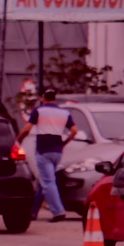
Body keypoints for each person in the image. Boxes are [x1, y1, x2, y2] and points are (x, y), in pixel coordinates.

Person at [19, 90, 80, 223]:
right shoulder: (64, 112)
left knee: (48, 182)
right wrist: (65, 142)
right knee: (45, 180)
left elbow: (27, 129)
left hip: (43, 150)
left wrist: (18, 140)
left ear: (43, 98)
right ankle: (33, 211)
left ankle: (58, 211)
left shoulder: (39, 111)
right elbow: (74, 130)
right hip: (57, 151)